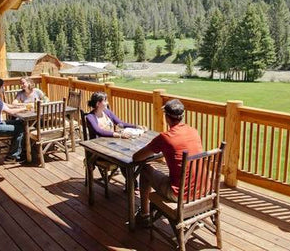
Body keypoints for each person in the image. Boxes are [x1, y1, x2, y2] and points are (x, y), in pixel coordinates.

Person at [132, 99, 203, 227]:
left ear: (167, 117)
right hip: (202, 190)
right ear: (182, 116)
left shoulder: (166, 137)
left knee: (145, 170)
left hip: (179, 194)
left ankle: (144, 215)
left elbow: (137, 157)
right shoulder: (194, 131)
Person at [85, 91, 147, 189]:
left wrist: (136, 126)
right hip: (98, 151)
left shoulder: (107, 112)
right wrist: (118, 135)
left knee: (129, 154)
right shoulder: (90, 117)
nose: (107, 102)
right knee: (124, 158)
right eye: (105, 100)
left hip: (112, 145)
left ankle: (131, 182)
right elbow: (99, 131)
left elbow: (120, 123)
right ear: (98, 103)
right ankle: (131, 182)